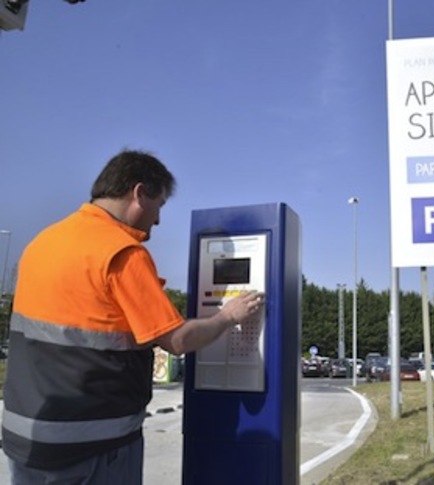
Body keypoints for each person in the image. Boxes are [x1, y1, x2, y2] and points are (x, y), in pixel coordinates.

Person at [1, 150, 265, 484]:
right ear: (139, 193)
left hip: (27, 439)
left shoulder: (43, 242)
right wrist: (229, 316)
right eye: (160, 206)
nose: (157, 220)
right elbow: (178, 339)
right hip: (92, 446)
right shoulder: (121, 251)